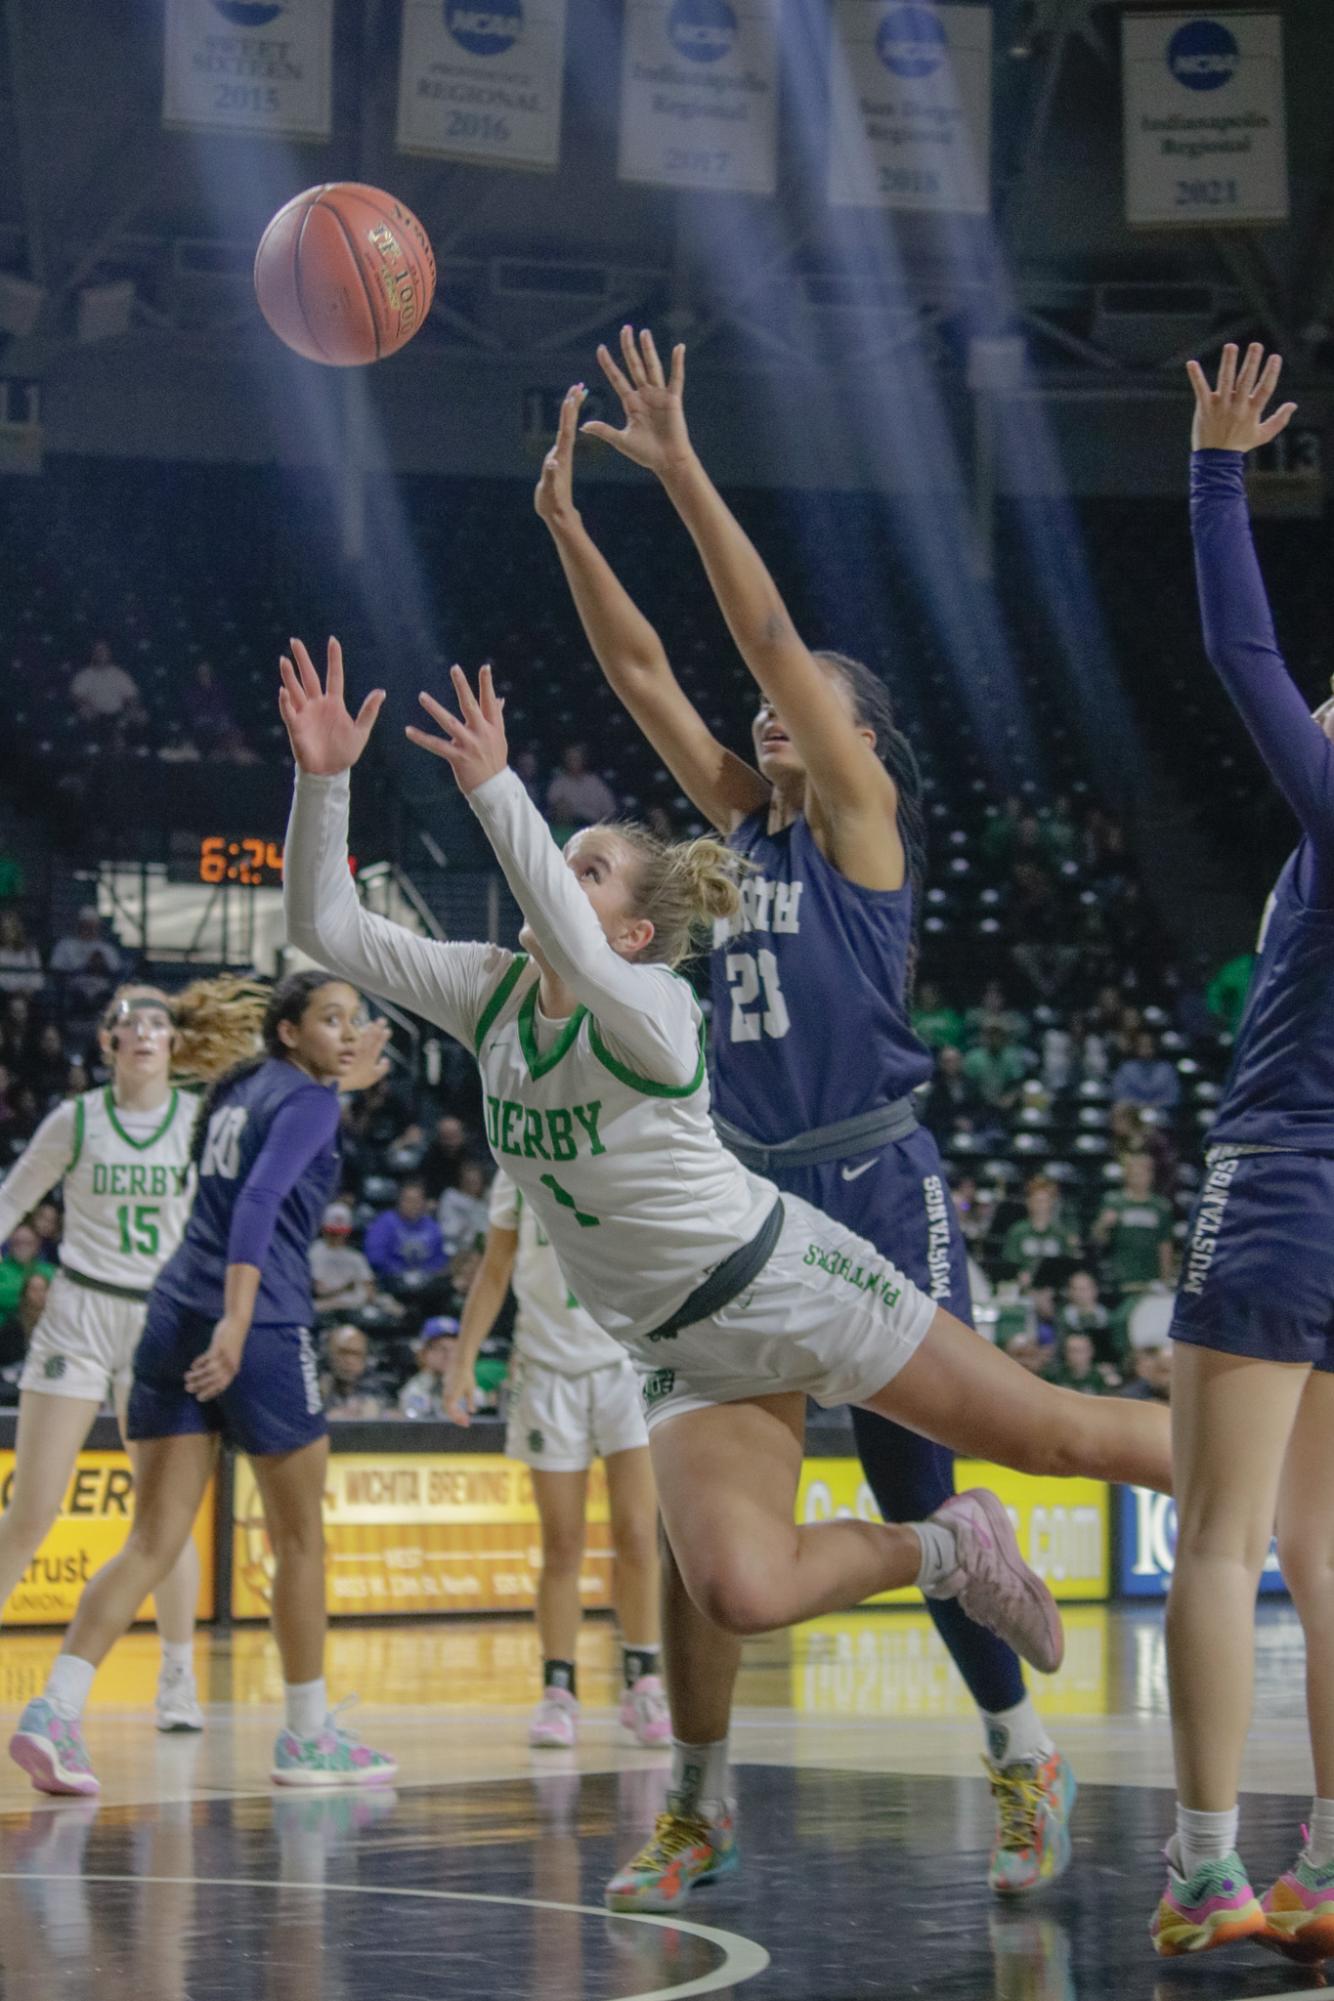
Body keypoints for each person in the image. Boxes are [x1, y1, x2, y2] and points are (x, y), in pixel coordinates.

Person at [278, 635, 1172, 1908]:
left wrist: (496, 788)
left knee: (1054, 1435)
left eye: (586, 869)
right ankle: (942, 1556)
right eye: (561, 861)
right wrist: (323, 780)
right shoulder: (487, 997)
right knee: (737, 1589)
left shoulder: (647, 1007)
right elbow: (321, 922)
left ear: (640, 929)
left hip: (788, 1284)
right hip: (680, 1349)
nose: (557, 878)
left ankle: (1280, 1458)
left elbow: (576, 947)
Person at [536, 339, 1080, 1907]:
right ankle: (697, 1802)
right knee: (706, 1542)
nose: (777, 716)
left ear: (849, 734)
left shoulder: (856, 822)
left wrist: (683, 468)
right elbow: (647, 676)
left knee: (924, 1501)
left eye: (808, 706)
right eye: (779, 712)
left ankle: (1016, 1754)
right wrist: (573, 526)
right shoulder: (730, 831)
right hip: (742, 1201)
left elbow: (761, 638)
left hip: (873, 1179)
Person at [7, 972, 396, 1795]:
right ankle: (307, 1734)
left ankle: (54, 1711)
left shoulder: (240, 1086)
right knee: (298, 1540)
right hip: (255, 1323)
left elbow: (255, 1150)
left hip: (165, 1310)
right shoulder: (307, 1104)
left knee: (150, 1539)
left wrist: (340, 1081)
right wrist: (237, 1317)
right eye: (333, 1019)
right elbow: (258, 1198)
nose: (350, 1030)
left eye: (356, 1020)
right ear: (290, 1031)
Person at [1143, 343, 1334, 1958]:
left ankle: (1204, 1863)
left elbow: (1235, 645)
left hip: (1282, 1175)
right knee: (1323, 1545)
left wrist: (1213, 467)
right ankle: (1326, 1866)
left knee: (1217, 1537)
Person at [0, 980, 265, 1732]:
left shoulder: (199, 1120)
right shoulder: (75, 1119)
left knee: (164, 1521)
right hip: (80, 1313)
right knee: (32, 1508)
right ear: (109, 1042)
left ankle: (178, 1677)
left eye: (158, 1022)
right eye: (130, 1022)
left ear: (175, 1043)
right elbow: (13, 1200)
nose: (145, 1032)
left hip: (164, 1318)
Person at [448, 1167, 667, 1750]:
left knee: (638, 1532)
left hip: (626, 1363)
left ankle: (643, 1680)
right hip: (547, 1369)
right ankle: (558, 1689)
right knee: (562, 1543)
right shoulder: (514, 1165)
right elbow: (495, 1268)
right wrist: (463, 1358)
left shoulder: (624, 1148)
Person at [1091, 1151, 1176, 1299]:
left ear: (1150, 1176)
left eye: (1142, 1174)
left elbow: (1165, 1245)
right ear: (1127, 1176)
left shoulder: (1160, 1206)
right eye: (1134, 1174)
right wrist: (1103, 1224)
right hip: (1122, 1279)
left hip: (1151, 1280)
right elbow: (1098, 1239)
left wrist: (1166, 1278)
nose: (1138, 1179)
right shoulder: (1114, 1202)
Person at [363, 1179, 446, 1289]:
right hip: (390, 1282)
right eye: (408, 1200)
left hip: (426, 1284)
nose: (412, 1205)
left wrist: (425, 1273)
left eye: (417, 1200)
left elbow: (439, 1258)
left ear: (423, 1203)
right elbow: (375, 1256)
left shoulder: (432, 1226)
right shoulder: (384, 1223)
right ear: (399, 1201)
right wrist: (400, 1271)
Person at [309, 1202, 376, 1320]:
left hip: (355, 1310)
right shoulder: (315, 1252)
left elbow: (369, 1290)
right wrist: (344, 1288)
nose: (336, 1237)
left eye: (340, 1233)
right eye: (333, 1233)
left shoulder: (355, 1256)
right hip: (324, 1308)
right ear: (324, 1230)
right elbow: (318, 1290)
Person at [320, 1322, 393, 1420]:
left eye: (356, 1354)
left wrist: (379, 1415)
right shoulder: (313, 1391)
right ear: (329, 1354)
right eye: (343, 1352)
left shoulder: (378, 1392)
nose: (349, 1361)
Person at [546, 743, 617, 830]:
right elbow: (554, 808)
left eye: (576, 758)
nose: (573, 761)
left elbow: (610, 809)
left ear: (583, 760)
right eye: (570, 758)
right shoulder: (558, 783)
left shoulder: (595, 782)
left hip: (593, 827)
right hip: (570, 828)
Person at [398, 1317, 458, 1419]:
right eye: (441, 1348)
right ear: (424, 1353)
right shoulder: (414, 1390)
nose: (448, 1355)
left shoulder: (471, 1387)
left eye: (454, 1348)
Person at [0, 1220, 54, 1317]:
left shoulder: (49, 1271)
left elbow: (55, 1300)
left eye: (28, 1243)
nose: (22, 1247)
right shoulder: (2, 1269)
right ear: (10, 1243)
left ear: (37, 1244)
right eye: (17, 1243)